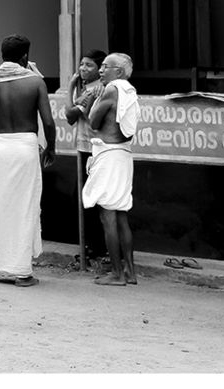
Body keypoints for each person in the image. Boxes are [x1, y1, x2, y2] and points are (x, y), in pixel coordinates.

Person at [0, 34, 56, 286]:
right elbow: (48, 122)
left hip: (0, 148)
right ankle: (22, 273)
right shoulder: (35, 82)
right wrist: (51, 148)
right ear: (25, 56)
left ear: (2, 54)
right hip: (25, 148)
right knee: (24, 207)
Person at [84, 52, 140, 286]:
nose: (100, 70)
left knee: (108, 217)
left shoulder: (111, 89)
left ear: (118, 71)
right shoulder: (129, 90)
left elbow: (93, 122)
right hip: (123, 155)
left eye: (106, 67)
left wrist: (89, 100)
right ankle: (130, 272)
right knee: (121, 215)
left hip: (109, 155)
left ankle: (117, 274)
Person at [65, 49, 107, 259]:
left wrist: (70, 86)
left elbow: (70, 115)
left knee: (87, 199)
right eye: (81, 64)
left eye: (89, 65)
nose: (82, 69)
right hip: (86, 148)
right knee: (84, 199)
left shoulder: (92, 91)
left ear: (100, 70)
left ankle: (96, 247)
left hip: (91, 150)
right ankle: (93, 246)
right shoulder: (90, 88)